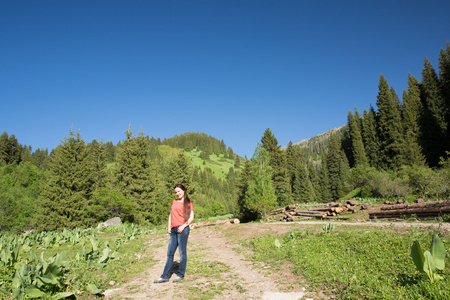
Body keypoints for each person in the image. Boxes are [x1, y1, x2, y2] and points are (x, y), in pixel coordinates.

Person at [154, 184, 194, 283]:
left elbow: (191, 217)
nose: (177, 194)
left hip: (183, 229)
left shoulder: (188, 202)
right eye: (176, 192)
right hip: (174, 229)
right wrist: (169, 227)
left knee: (182, 252)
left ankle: (180, 274)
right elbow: (171, 215)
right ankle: (165, 276)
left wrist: (183, 226)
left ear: (184, 190)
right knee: (170, 253)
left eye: (179, 191)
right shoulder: (174, 202)